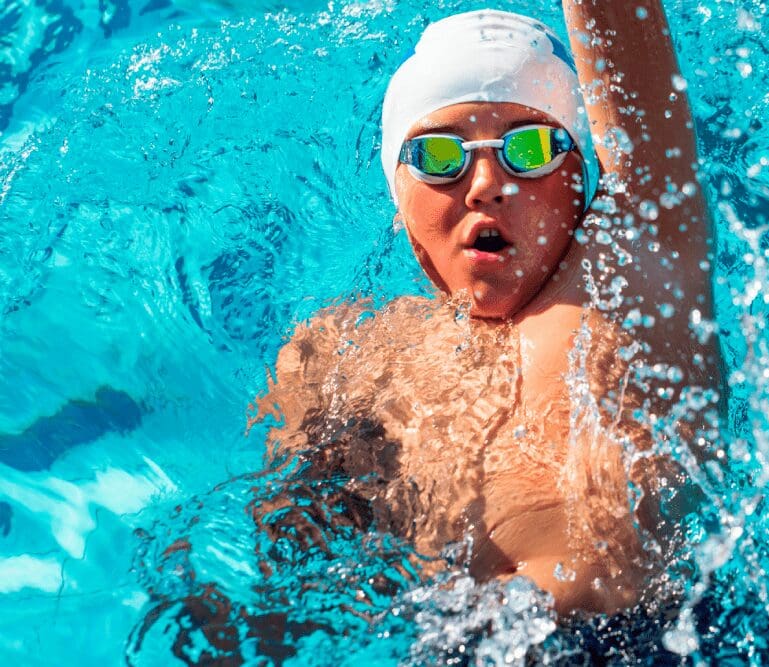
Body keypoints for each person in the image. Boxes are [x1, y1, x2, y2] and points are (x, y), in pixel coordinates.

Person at [255, 2, 719, 617]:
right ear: (402, 201)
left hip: (641, 642)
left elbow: (634, 83)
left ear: (582, 181)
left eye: (528, 149)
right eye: (440, 156)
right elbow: (291, 578)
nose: (484, 184)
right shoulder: (351, 360)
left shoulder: (629, 272)